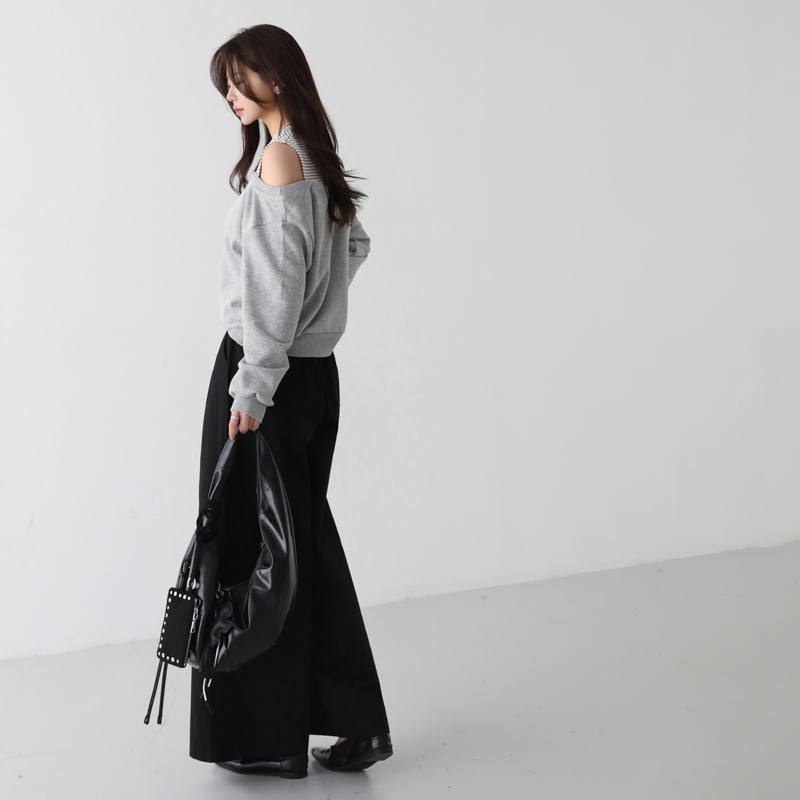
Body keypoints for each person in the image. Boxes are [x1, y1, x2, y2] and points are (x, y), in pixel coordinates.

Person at [189, 24, 393, 779]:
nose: (231, 93)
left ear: (278, 75)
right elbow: (353, 245)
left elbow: (273, 291)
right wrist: (317, 317)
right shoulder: (309, 153)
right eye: (225, 82)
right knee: (300, 542)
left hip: (265, 376)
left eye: (241, 78)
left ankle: (267, 737)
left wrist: (254, 382)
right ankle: (354, 723)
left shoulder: (278, 160)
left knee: (253, 550)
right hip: (308, 376)